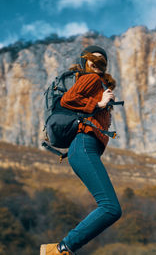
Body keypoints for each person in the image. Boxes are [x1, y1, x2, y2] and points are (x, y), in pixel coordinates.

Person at [44, 46, 122, 255]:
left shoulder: (99, 83)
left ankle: (60, 249)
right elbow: (67, 99)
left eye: (101, 61)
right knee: (110, 208)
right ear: (84, 62)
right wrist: (99, 103)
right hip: (84, 146)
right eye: (91, 60)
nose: (97, 63)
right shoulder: (92, 80)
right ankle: (61, 249)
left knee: (110, 207)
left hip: (84, 149)